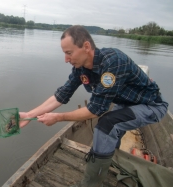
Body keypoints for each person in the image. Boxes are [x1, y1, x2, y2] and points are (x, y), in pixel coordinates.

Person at [19, 25, 168, 187]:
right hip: (126, 104)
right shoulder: (80, 68)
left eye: (69, 53)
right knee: (110, 128)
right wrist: (30, 115)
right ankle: (109, 161)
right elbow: (60, 96)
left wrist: (58, 117)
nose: (66, 59)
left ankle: (91, 184)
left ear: (86, 47)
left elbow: (96, 109)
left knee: (106, 124)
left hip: (150, 105)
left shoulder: (113, 62)